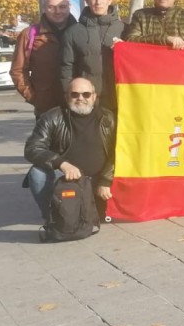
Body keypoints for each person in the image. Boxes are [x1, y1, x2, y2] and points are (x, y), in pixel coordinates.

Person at [23, 77, 115, 227]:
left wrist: (106, 179)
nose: (80, 98)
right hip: (66, 180)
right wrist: (62, 164)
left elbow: (119, 151)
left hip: (99, 181)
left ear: (94, 96)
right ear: (66, 97)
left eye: (86, 94)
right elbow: (32, 148)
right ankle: (54, 216)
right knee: (37, 173)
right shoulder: (52, 117)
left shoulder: (108, 118)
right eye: (74, 94)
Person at [61, 0, 125, 113]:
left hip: (118, 98)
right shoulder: (73, 32)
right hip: (86, 100)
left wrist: (126, 50)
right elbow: (66, 67)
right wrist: (69, 95)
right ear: (86, 0)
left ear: (110, 0)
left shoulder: (124, 29)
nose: (98, 2)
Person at [12, 0, 76, 117]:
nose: (57, 11)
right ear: (43, 8)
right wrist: (33, 97)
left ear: (70, 7)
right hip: (46, 107)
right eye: (51, 7)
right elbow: (17, 70)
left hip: (76, 103)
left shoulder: (81, 32)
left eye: (62, 7)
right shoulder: (29, 34)